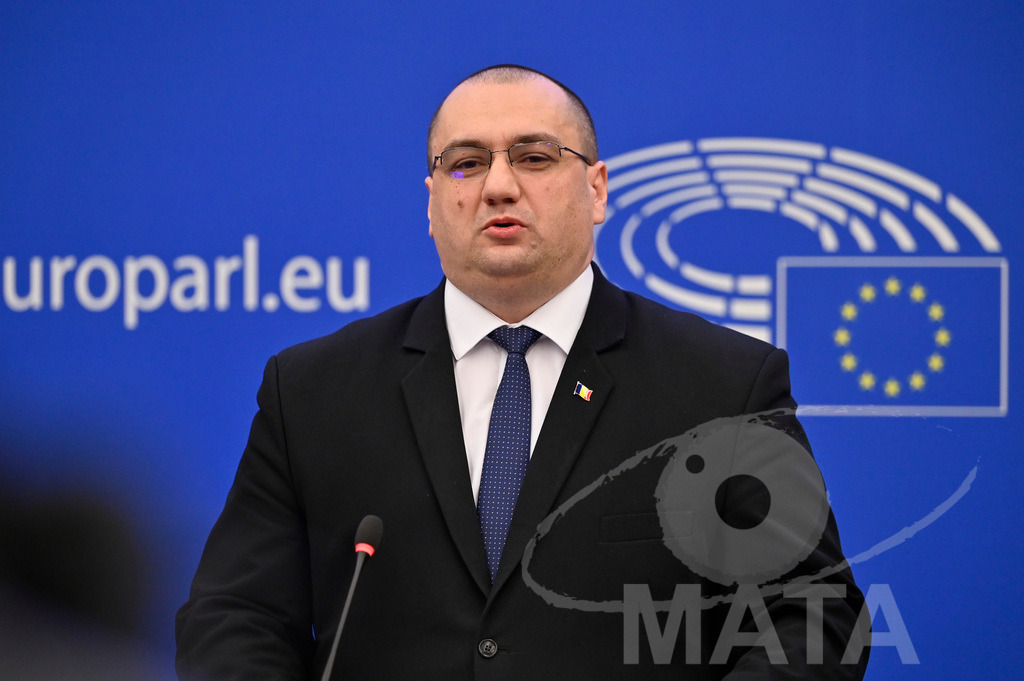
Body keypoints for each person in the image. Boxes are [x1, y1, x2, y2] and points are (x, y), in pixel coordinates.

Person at [176, 65, 868, 680]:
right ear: (431, 202)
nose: (499, 186)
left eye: (535, 158)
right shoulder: (313, 391)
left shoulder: (722, 385)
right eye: (466, 164)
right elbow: (235, 616)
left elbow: (812, 612)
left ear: (597, 189)